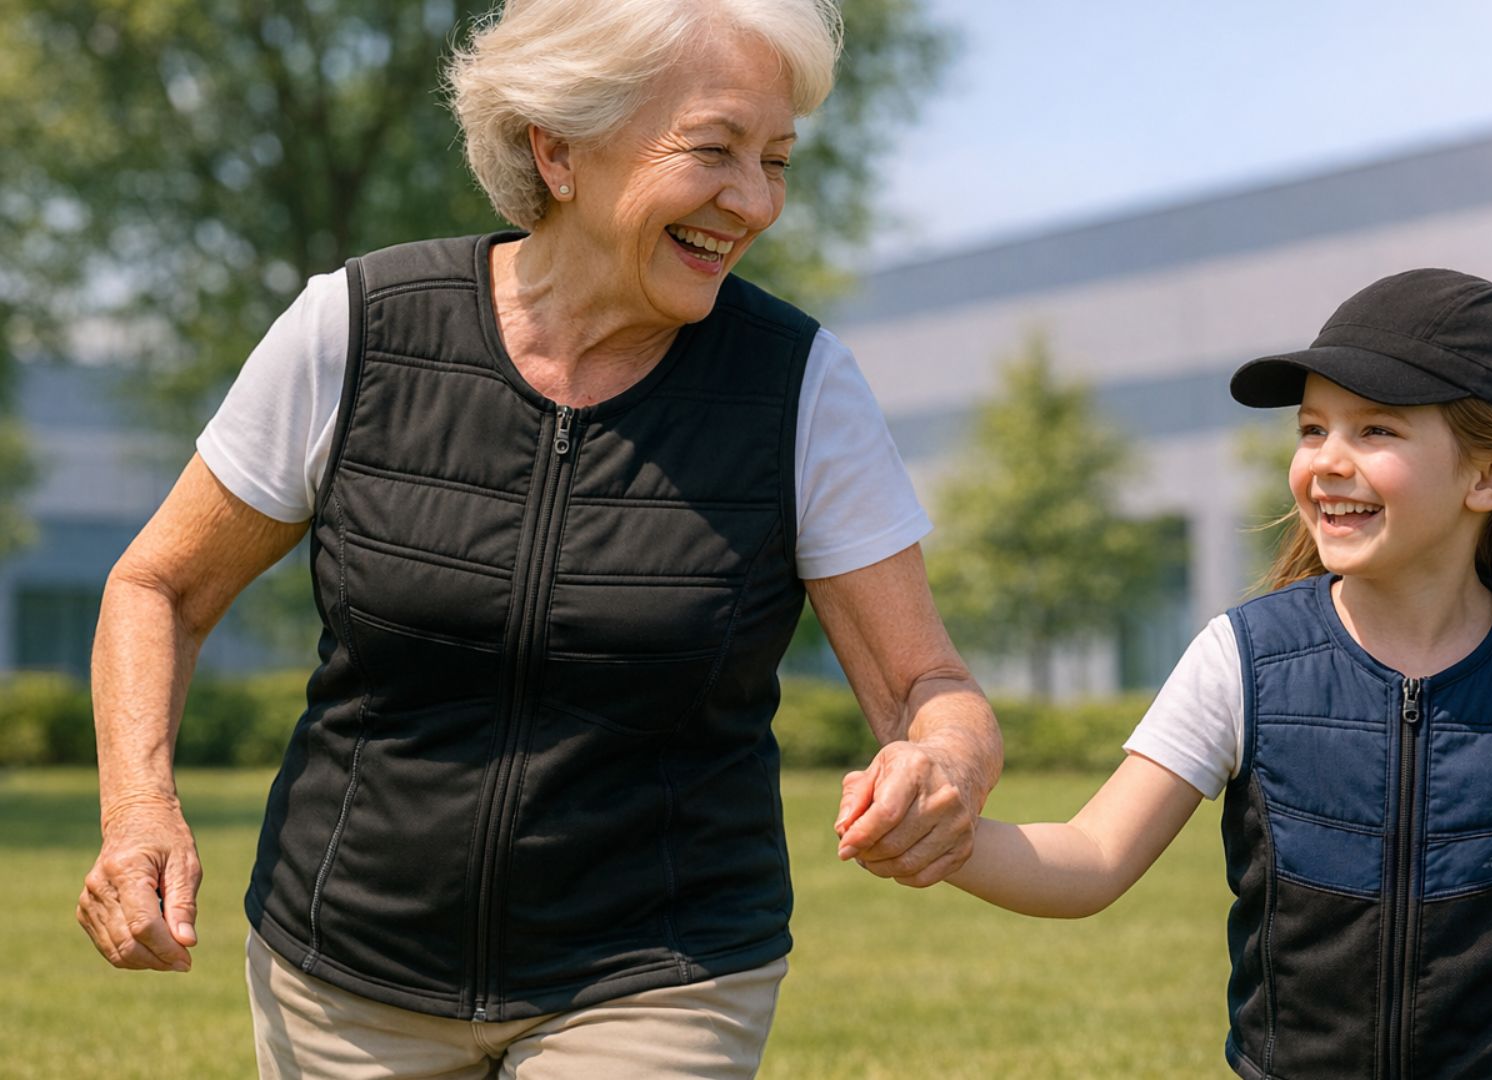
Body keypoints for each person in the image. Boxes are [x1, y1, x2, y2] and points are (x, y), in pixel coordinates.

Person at [74, 1, 1000, 1075]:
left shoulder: (801, 388)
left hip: (661, 966)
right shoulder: (357, 327)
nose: (754, 202)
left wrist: (944, 763)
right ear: (557, 151)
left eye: (776, 160)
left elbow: (927, 685)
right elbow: (160, 587)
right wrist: (138, 809)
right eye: (713, 150)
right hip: (342, 970)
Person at [850, 268, 1492, 1077]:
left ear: (1490, 476)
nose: (1327, 459)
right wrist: (950, 840)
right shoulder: (1243, 659)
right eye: (1313, 428)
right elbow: (1090, 858)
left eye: (1376, 430)